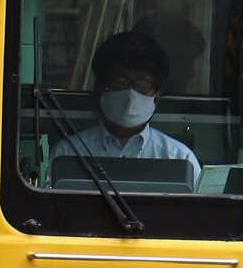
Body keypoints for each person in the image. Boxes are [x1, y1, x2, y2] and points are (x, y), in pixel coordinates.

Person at [50, 28, 201, 187]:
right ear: (99, 90)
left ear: (156, 97)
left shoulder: (180, 159)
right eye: (119, 82)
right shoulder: (67, 154)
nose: (130, 93)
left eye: (142, 84)